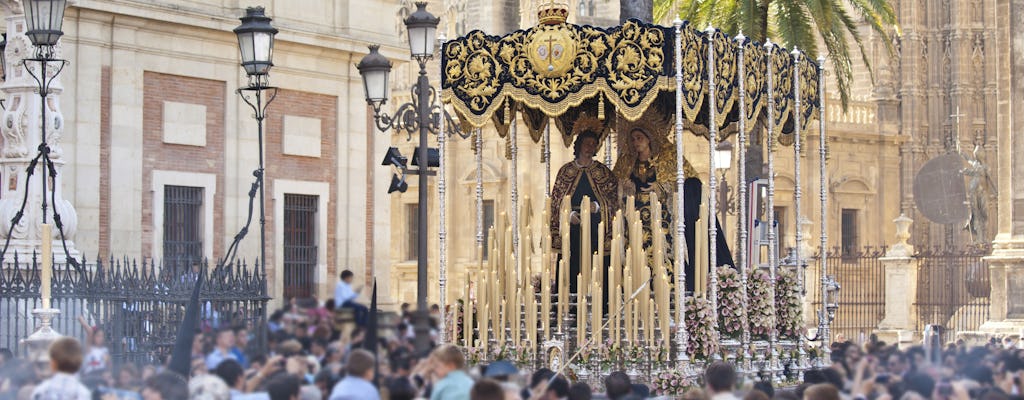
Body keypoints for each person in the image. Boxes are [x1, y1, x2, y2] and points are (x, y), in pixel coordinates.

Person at [550, 118, 619, 299]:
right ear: (579, 145)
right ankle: (568, 310)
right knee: (571, 269)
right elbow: (556, 200)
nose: (590, 147)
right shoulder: (566, 172)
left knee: (599, 270)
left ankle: (601, 308)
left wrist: (597, 207)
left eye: (594, 144)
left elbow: (613, 200)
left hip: (597, 231)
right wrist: (569, 214)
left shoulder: (603, 172)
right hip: (571, 232)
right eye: (587, 143)